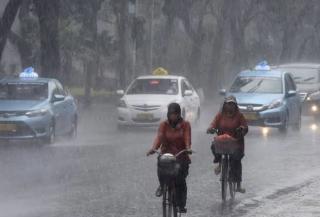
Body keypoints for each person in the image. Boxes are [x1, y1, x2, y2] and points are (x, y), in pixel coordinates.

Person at [147, 103, 191, 213]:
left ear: (179, 114)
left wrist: (188, 148)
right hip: (166, 155)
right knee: (161, 167)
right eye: (171, 114)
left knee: (180, 180)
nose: (173, 116)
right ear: (168, 114)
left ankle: (181, 204)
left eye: (175, 114)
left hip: (180, 156)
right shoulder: (163, 125)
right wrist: (153, 148)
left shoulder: (185, 125)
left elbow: (187, 137)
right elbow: (159, 137)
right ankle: (162, 186)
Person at [207, 96, 248, 193]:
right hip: (222, 143)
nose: (230, 106)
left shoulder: (240, 116)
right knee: (213, 146)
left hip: (236, 143)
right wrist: (211, 128)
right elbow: (213, 124)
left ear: (235, 105)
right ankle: (220, 163)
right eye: (228, 104)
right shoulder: (219, 115)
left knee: (236, 160)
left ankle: (238, 184)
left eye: (232, 104)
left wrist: (242, 129)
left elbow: (245, 127)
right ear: (225, 105)